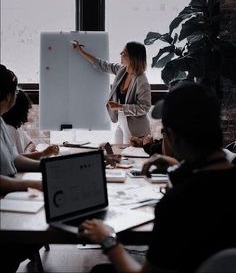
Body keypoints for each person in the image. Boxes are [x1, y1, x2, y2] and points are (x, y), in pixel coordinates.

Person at [79, 81, 236, 273]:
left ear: (173, 137)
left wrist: (108, 239)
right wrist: (174, 164)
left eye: (164, 133)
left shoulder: (176, 203)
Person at [0, 64, 42, 272]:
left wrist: (44, 165)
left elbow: (15, 158)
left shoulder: (0, 121)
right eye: (15, 92)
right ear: (8, 96)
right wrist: (28, 184)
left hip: (10, 193)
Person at [72, 40, 151, 144]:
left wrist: (120, 107)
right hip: (121, 122)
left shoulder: (141, 80)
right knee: (117, 153)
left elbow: (144, 107)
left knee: (129, 157)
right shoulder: (122, 70)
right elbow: (102, 65)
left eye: (124, 53)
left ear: (132, 58)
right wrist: (81, 52)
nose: (120, 54)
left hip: (136, 129)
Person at [2, 89, 60, 159]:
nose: (27, 114)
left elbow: (31, 143)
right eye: (26, 110)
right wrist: (43, 153)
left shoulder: (17, 127)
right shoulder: (8, 130)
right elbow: (14, 159)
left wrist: (28, 153)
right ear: (19, 111)